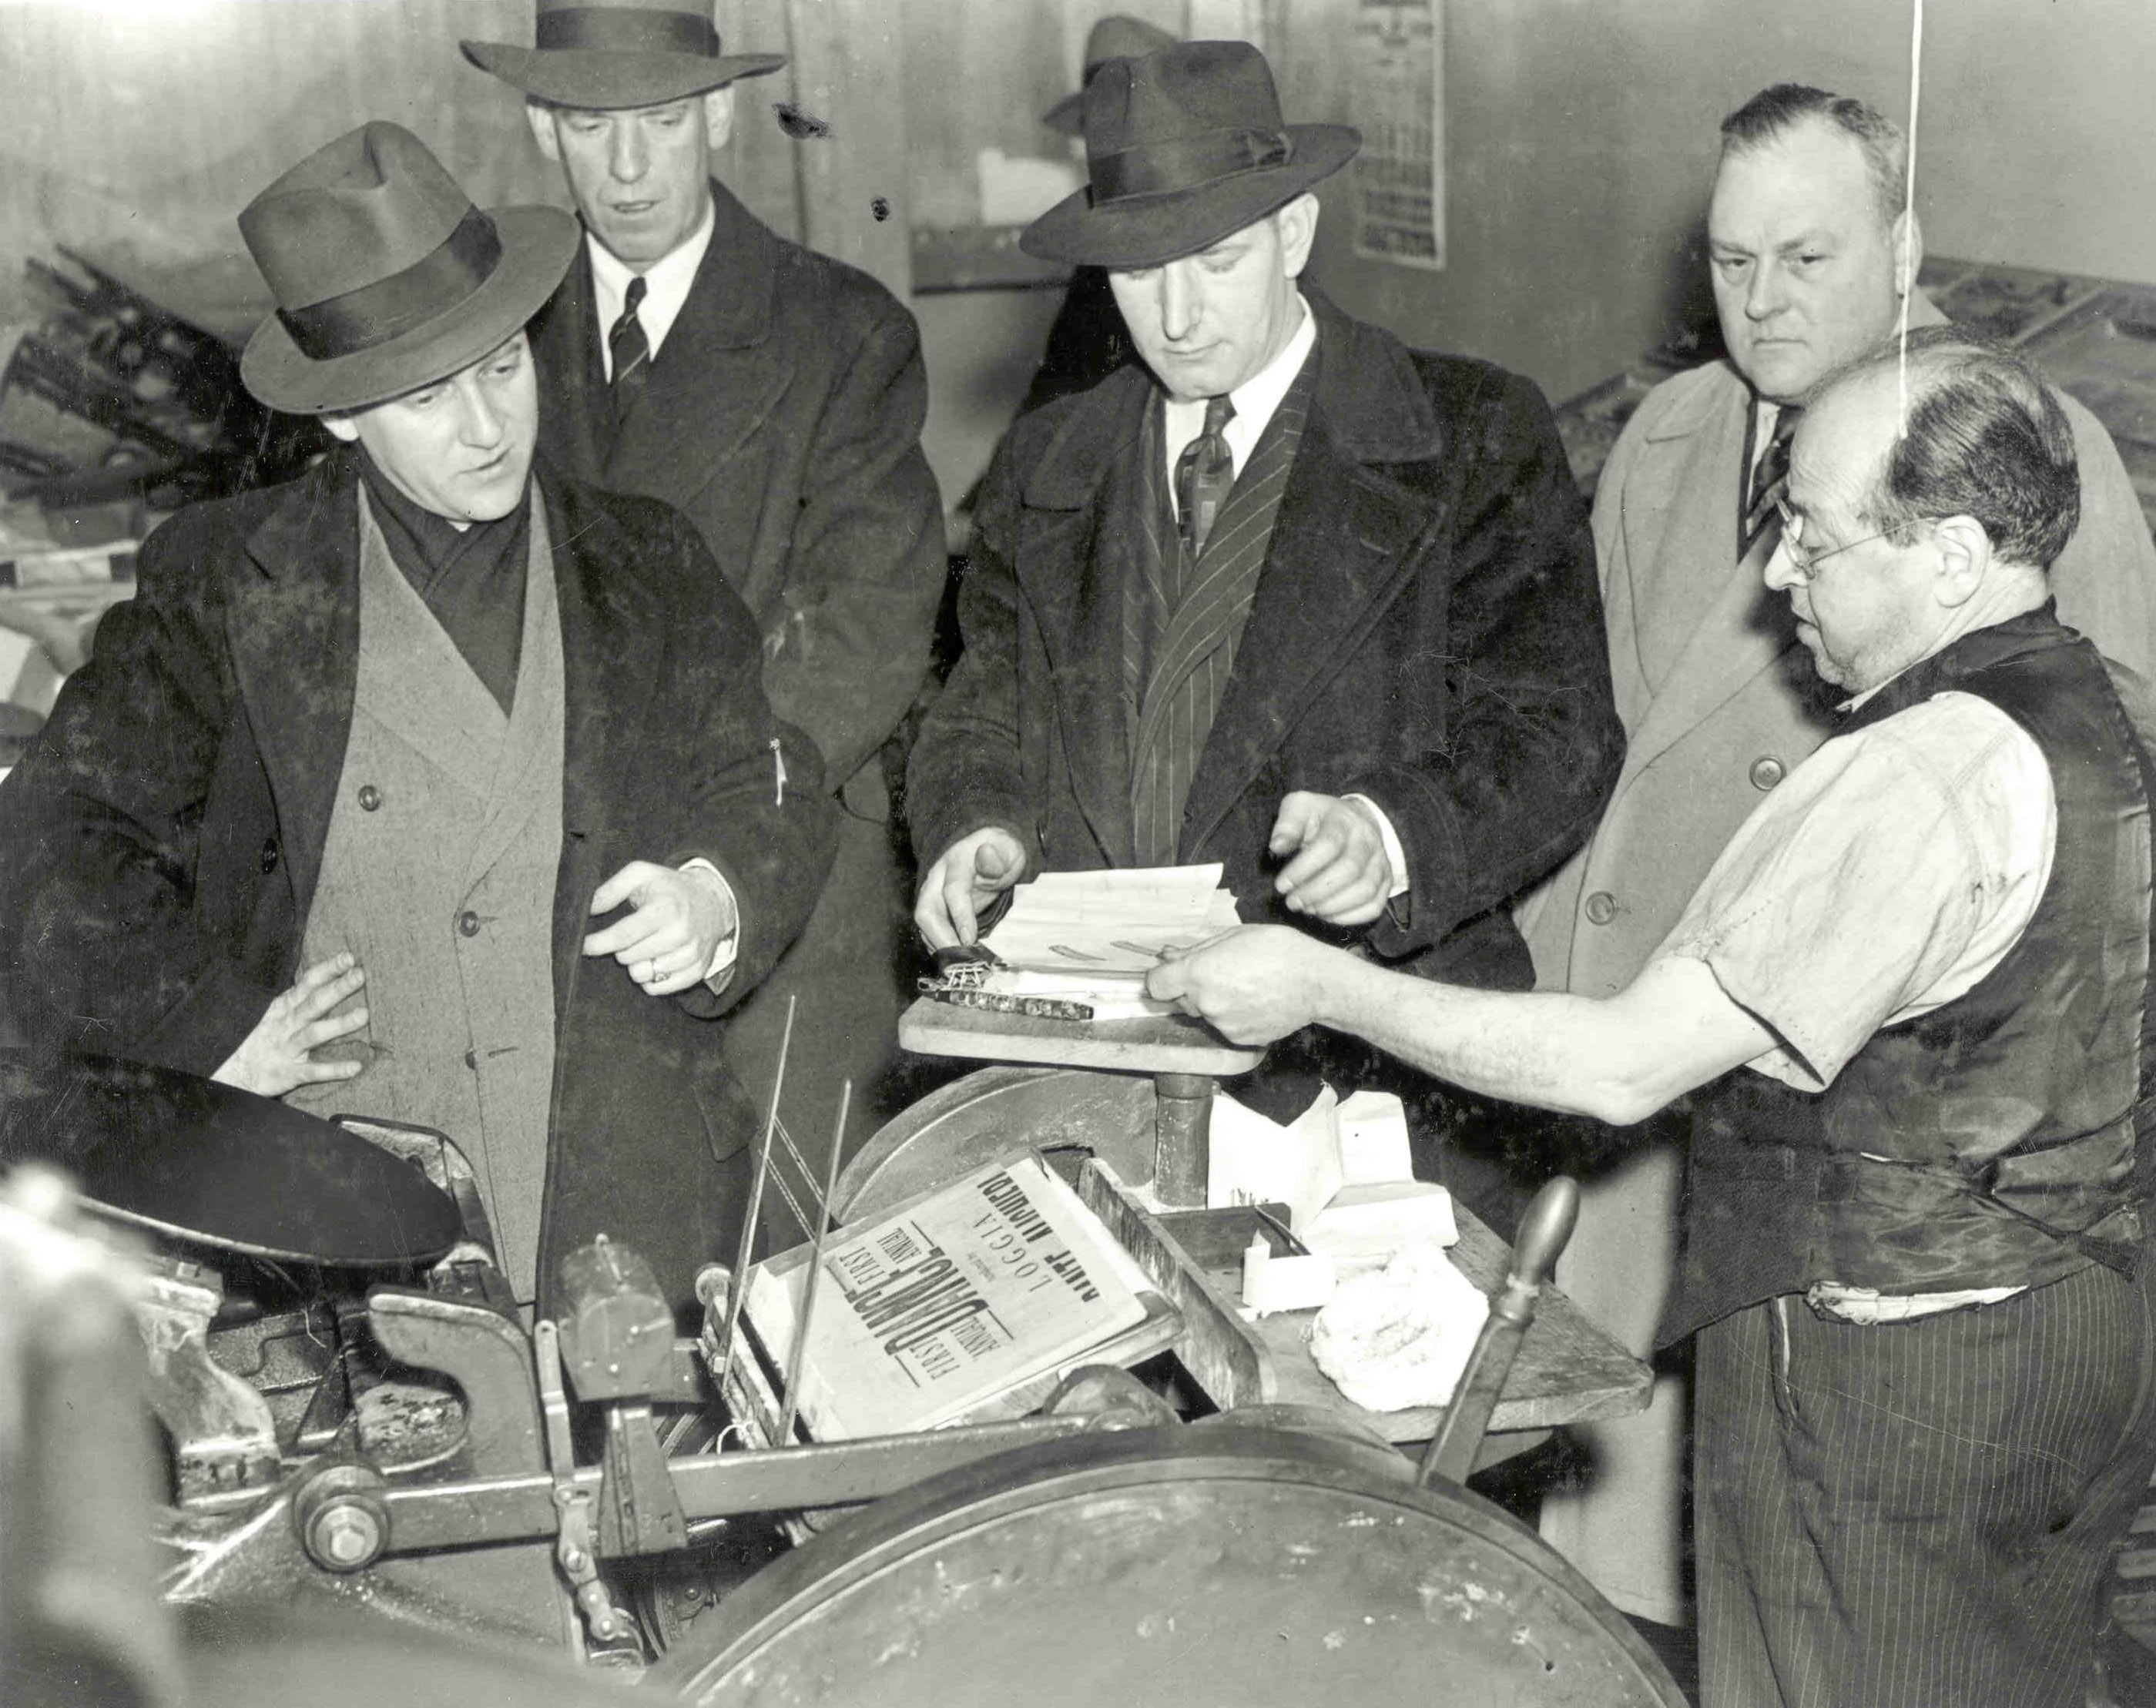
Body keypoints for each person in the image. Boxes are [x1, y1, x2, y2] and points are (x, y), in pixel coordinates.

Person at [1153, 330, 2156, 1708]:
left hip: (1899, 1379)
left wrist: (1321, 982)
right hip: (2074, 1326)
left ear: (1955, 556)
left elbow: (1623, 1066)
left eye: (1812, 532)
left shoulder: (1918, 773)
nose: (1781, 571)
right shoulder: (2105, 711)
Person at [0, 122, 833, 1323]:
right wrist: (210, 1028)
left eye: (503, 367)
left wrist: (717, 890)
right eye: (432, 398)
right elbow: (52, 832)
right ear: (341, 418)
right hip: (340, 1208)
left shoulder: (646, 558)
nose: (489, 427)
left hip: (625, 1194)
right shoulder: (227, 584)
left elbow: (768, 772)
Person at [1513, 81, 2156, 1627]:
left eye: (1805, 257)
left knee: (1824, 1603)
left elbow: (2111, 787)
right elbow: (1600, 746)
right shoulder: (1671, 430)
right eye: (1731, 262)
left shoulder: (2016, 447)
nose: (1761, 300)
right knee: (1630, 1576)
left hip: (1840, 1120)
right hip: (1635, 1047)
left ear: (1902, 242)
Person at [907, 40, 1623, 1137]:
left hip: (1360, 1076)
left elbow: (1554, 731)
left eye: (1218, 260)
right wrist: (977, 823)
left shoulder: (1471, 435)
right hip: (1098, 1059)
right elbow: (987, 698)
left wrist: (1395, 835)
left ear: (1295, 233)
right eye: (1141, 274)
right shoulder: (1050, 461)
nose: (1179, 314)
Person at [461, 0, 945, 1169]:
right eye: (589, 125)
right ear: (540, 127)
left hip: (771, 893)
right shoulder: (491, 329)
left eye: (663, 120)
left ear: (720, 113)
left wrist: (717, 854)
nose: (627, 168)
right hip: (543, 880)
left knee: (782, 1267)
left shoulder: (840, 331)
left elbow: (865, 629)